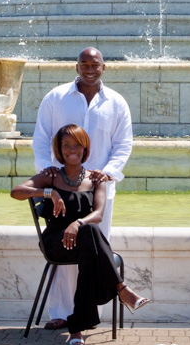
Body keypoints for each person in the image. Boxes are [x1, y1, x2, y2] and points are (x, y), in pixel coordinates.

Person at [11, 124, 148, 345]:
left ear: (85, 148)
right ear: (59, 149)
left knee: (89, 242)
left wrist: (77, 223)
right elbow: (16, 192)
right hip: (56, 243)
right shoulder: (51, 176)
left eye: (77, 145)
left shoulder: (96, 179)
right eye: (66, 145)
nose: (71, 149)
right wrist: (49, 192)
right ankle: (121, 289)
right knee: (91, 240)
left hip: (83, 242)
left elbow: (99, 214)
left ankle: (78, 329)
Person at [31, 46, 133, 329]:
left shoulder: (116, 102)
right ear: (76, 67)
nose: (90, 68)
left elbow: (123, 144)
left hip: (99, 190)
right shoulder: (56, 97)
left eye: (95, 64)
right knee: (65, 249)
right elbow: (41, 139)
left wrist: (108, 173)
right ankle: (61, 313)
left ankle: (86, 313)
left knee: (93, 250)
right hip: (62, 189)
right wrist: (46, 173)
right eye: (84, 64)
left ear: (104, 68)